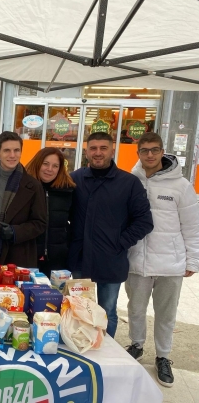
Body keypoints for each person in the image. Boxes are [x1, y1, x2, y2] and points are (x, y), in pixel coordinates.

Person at [125, 132, 199, 388]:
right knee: (135, 309)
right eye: (144, 150)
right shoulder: (130, 181)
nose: (150, 155)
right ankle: (136, 345)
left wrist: (192, 261)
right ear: (138, 153)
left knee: (166, 314)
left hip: (170, 263)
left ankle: (163, 357)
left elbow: (192, 226)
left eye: (154, 150)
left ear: (163, 151)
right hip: (137, 261)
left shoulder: (181, 186)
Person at [68, 131, 153, 338]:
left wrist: (120, 242)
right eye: (93, 148)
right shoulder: (74, 179)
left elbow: (144, 221)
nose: (98, 153)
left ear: (112, 150)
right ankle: (82, 346)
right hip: (79, 259)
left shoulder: (128, 183)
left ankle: (106, 353)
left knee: (108, 311)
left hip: (111, 259)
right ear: (86, 151)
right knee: (80, 310)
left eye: (103, 148)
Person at [0, 131, 46, 267]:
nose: (12, 155)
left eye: (16, 150)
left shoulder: (33, 185)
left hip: (16, 256)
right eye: (7, 150)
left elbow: (40, 223)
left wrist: (15, 232)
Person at [25, 147, 75, 277]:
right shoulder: (24, 188)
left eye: (55, 166)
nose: (49, 169)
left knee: (54, 297)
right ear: (38, 163)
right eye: (45, 164)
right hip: (28, 258)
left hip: (58, 261)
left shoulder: (68, 191)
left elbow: (75, 222)